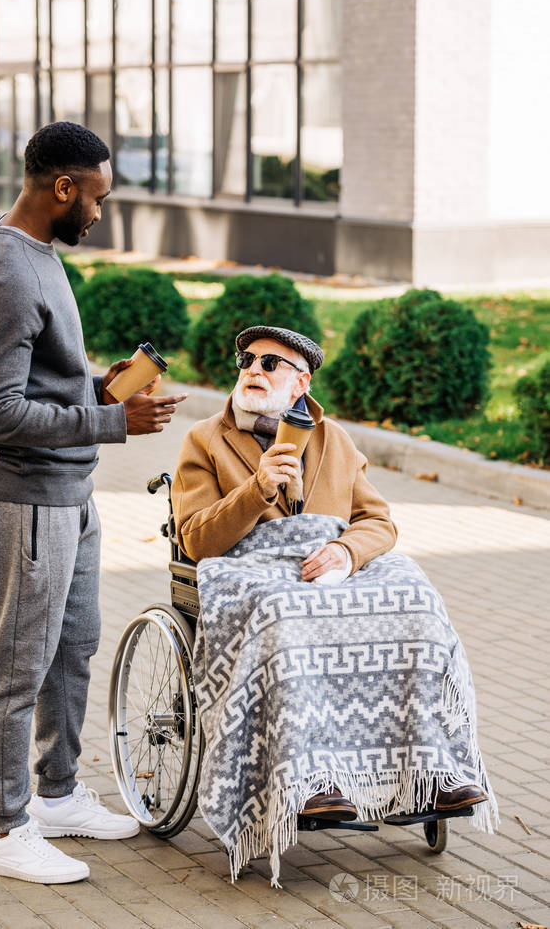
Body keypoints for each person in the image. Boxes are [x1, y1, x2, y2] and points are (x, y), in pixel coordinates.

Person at [171, 325, 495, 884]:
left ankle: (431, 766)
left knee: (415, 599)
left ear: (301, 383)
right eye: (248, 359)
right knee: (287, 613)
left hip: (331, 566)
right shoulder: (204, 439)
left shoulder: (335, 439)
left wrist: (346, 550)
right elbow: (197, 539)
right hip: (250, 568)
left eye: (271, 364)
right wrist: (257, 489)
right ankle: (311, 778)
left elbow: (379, 521)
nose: (253, 369)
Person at [0, 122, 186, 885]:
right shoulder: (9, 270)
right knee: (14, 669)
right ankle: (7, 827)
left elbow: (42, 384)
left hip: (65, 491)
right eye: (96, 199)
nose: (98, 213)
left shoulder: (41, 255)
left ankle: (55, 794)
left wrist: (96, 387)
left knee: (71, 647)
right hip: (20, 497)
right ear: (62, 187)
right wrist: (114, 420)